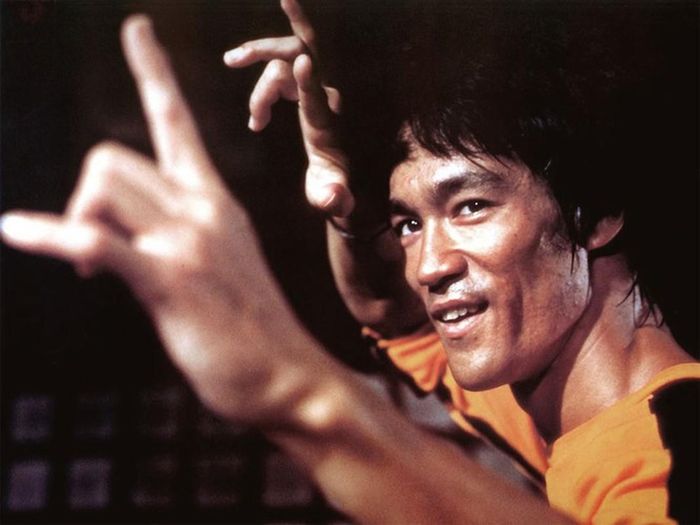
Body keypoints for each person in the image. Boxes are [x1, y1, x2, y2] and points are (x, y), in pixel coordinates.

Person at [1, 0, 697, 523]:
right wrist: (357, 206)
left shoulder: (673, 453)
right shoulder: (558, 395)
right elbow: (396, 317)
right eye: (408, 224)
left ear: (595, 215)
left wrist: (291, 383)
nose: (427, 267)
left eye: (470, 207)